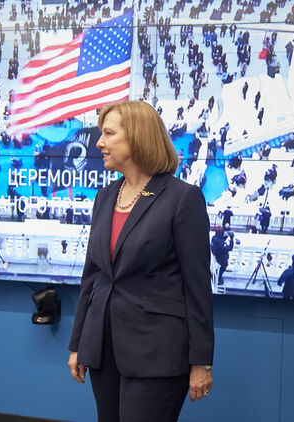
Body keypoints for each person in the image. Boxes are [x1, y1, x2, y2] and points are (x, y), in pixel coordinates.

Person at [67, 101, 214, 422]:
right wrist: (78, 343)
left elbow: (198, 287)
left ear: (137, 138)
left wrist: (201, 361)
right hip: (103, 351)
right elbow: (92, 278)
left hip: (156, 355)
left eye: (108, 134)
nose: (99, 143)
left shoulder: (183, 199)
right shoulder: (105, 197)